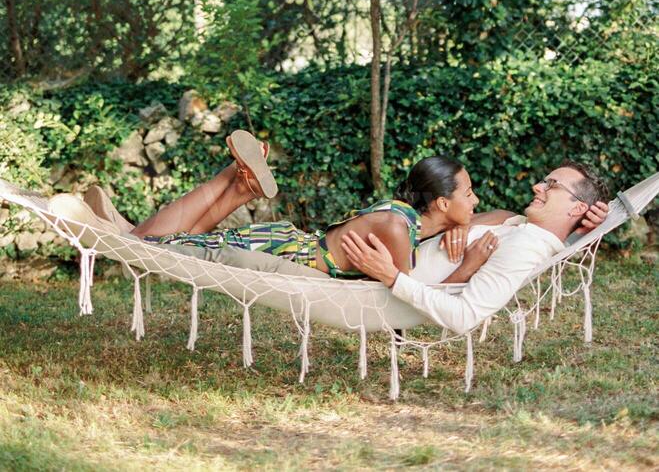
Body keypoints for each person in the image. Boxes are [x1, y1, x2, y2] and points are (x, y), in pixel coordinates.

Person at [85, 130, 489, 281]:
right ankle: (231, 179)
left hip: (287, 242)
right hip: (282, 252)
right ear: (440, 201)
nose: (476, 200)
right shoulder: (397, 229)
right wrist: (468, 267)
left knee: (183, 239)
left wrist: (460, 225)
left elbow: (502, 217)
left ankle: (239, 185)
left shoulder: (407, 218)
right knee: (146, 245)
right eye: (468, 193)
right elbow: (408, 295)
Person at [339, 161, 610, 334]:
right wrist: (460, 225)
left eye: (552, 185)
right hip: (362, 260)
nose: (537, 187)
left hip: (366, 283)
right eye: (543, 180)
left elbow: (464, 316)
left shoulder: (527, 246)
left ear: (577, 207)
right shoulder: (521, 226)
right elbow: (495, 215)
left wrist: (391, 276)